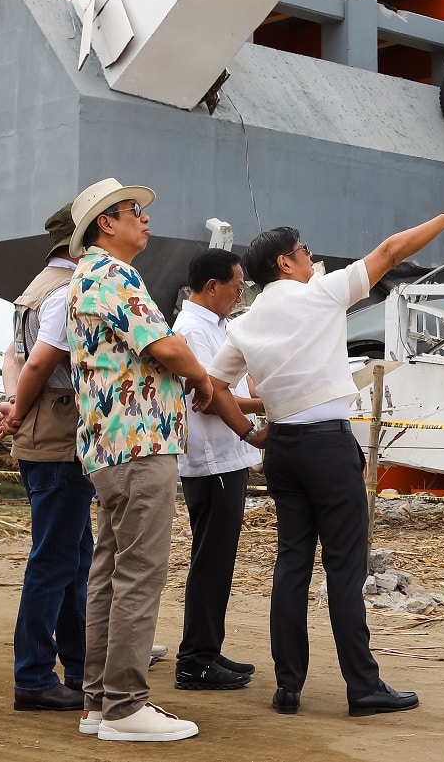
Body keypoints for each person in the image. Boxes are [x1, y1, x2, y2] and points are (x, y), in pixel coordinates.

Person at [207, 192, 444, 718]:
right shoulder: (318, 294)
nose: (313, 258)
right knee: (343, 569)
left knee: (292, 563)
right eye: (305, 250)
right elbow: (389, 251)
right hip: (328, 445)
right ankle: (362, 686)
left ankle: (288, 685)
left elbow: (210, 385)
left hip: (283, 448)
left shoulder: (244, 321)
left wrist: (249, 432)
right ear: (286, 262)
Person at [65, 178, 214, 742]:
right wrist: (200, 375)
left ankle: (100, 703)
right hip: (141, 443)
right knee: (138, 572)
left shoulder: (85, 279)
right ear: (107, 222)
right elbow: (166, 347)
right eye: (135, 212)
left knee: (108, 572)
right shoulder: (112, 275)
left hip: (109, 447)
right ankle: (127, 705)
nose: (145, 220)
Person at [0, 205, 94, 714]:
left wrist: (14, 407)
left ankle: (77, 666)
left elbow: (14, 358)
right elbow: (38, 361)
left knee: (72, 558)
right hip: (59, 437)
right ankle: (33, 676)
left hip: (40, 433)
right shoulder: (67, 291)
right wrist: (20, 408)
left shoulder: (34, 288)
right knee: (54, 562)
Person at [172, 249, 263, 691]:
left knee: (217, 560)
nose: (238, 294)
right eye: (235, 287)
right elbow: (209, 395)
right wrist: (258, 418)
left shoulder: (216, 326)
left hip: (225, 458)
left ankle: (206, 648)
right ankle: (195, 659)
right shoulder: (191, 329)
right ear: (212, 287)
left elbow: (230, 387)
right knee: (211, 560)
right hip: (212, 460)